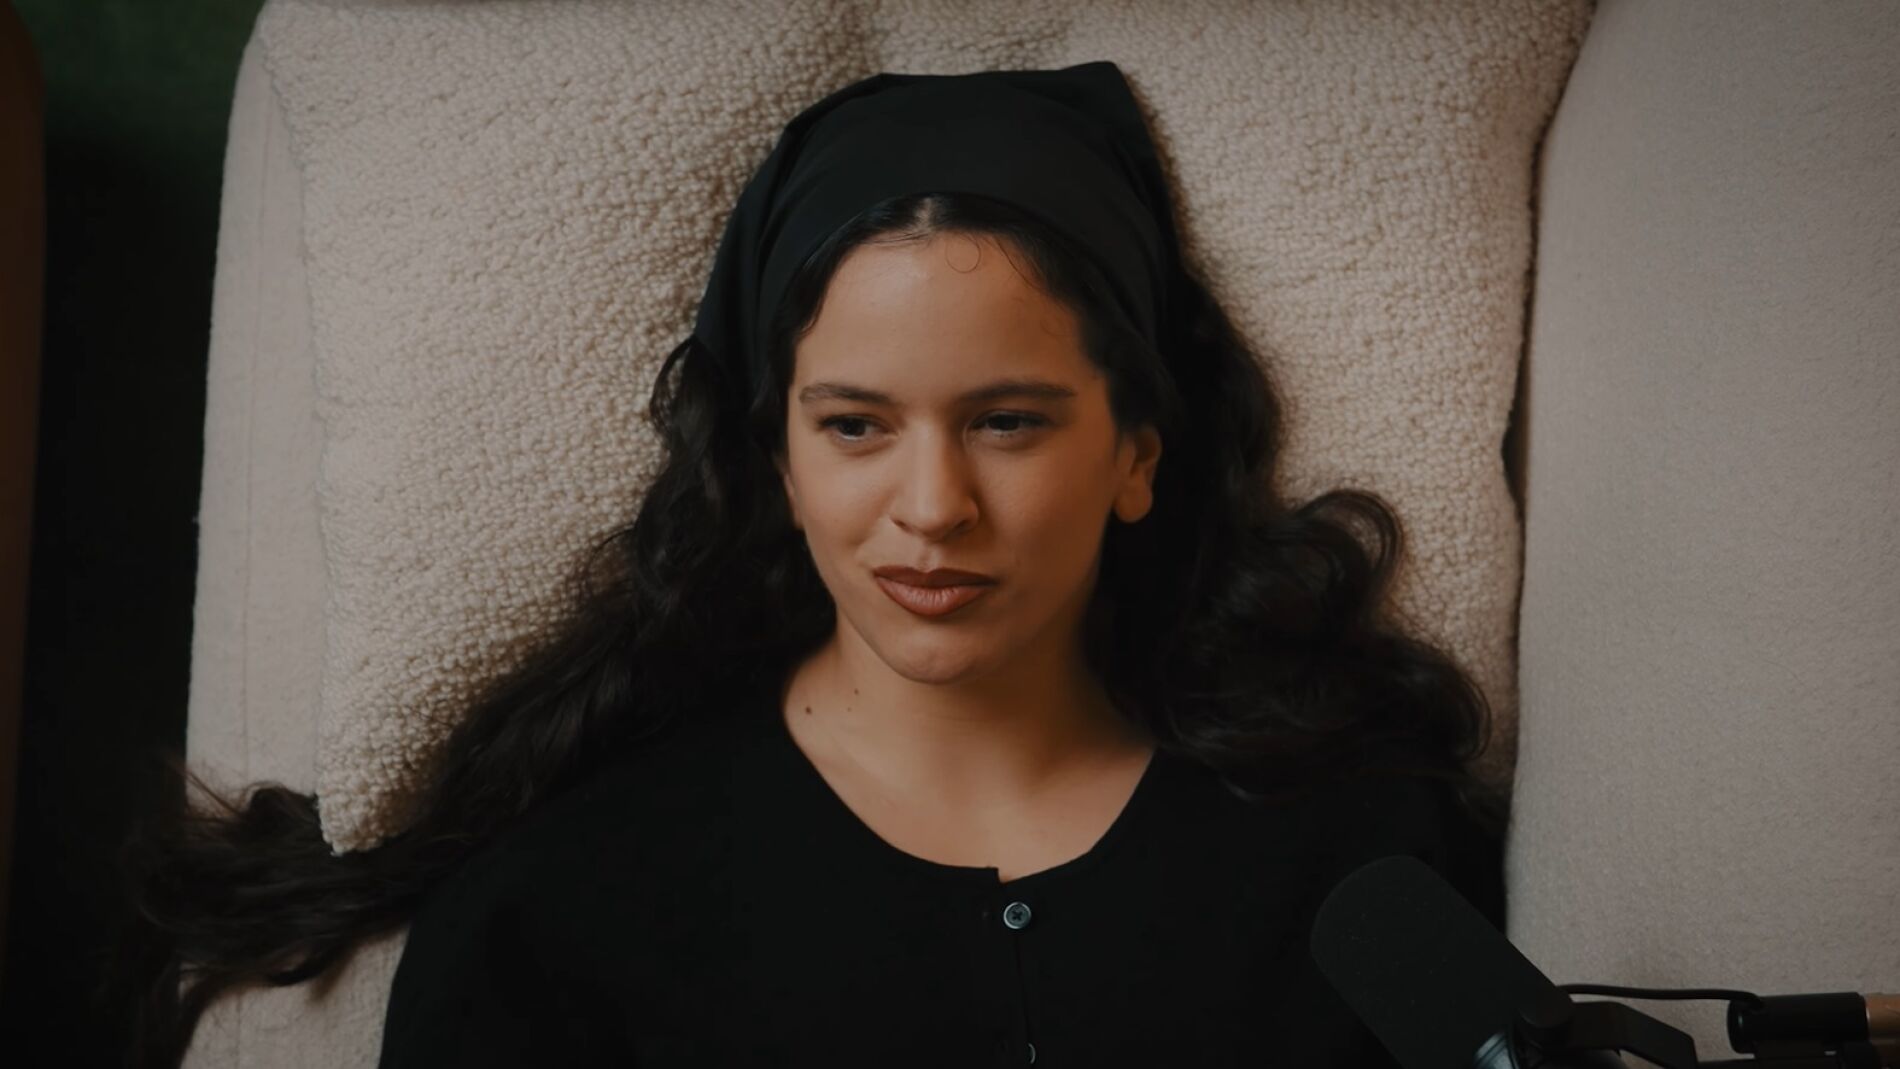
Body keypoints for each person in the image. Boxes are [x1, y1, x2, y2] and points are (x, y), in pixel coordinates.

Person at [111, 62, 1507, 1069]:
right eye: (854, 426)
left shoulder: (1362, 858)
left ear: (1137, 454)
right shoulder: (563, 904)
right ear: (778, 461)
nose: (933, 508)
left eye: (1008, 422)